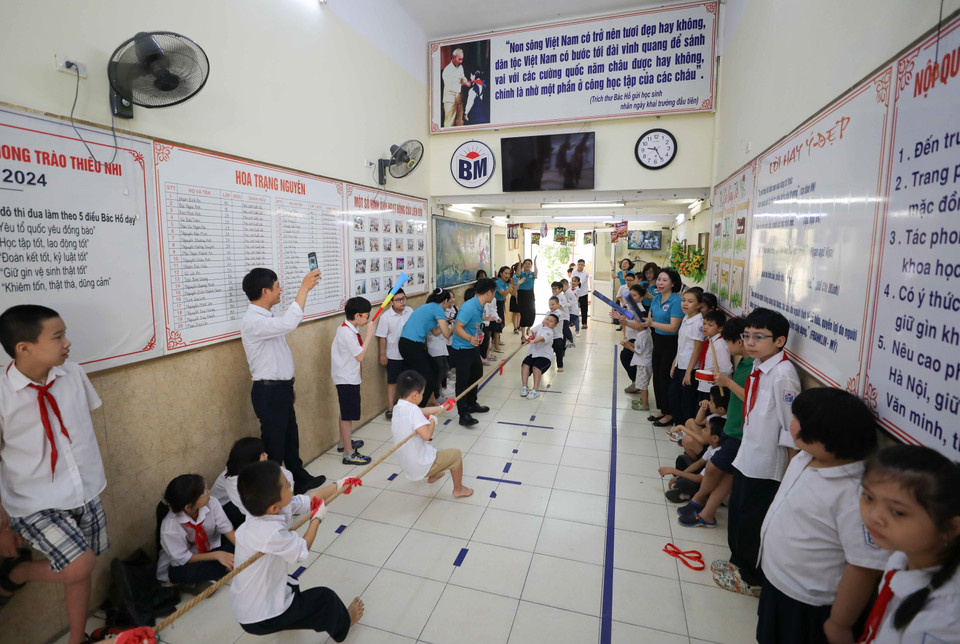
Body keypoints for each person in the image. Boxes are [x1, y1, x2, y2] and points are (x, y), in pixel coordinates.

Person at [0, 305, 108, 644]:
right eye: (58, 336)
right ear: (24, 347)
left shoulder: (73, 374)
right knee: (80, 565)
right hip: (34, 501)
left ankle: (77, 639)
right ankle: (17, 573)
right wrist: (2, 524)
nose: (67, 343)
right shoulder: (2, 395)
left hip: (84, 488)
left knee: (81, 572)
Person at [751, 388, 888, 644]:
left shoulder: (856, 493)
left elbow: (864, 566)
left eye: (796, 420)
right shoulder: (806, 457)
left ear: (825, 434)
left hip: (809, 603)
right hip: (776, 582)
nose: (791, 425)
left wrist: (839, 623)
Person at [713, 307, 801, 597]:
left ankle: (751, 577)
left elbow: (791, 430)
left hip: (765, 465)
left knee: (752, 521)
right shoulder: (758, 367)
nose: (750, 342)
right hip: (747, 456)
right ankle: (738, 564)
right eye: (747, 336)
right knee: (738, 514)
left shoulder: (784, 375)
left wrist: (789, 478)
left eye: (759, 337)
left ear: (779, 341)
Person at [231, 460, 363, 641]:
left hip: (254, 600)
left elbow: (310, 500)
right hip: (259, 616)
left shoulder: (267, 508)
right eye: (286, 485)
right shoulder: (267, 532)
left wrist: (339, 485)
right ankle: (344, 624)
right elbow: (302, 551)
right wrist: (316, 519)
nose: (290, 485)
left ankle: (288, 619)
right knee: (325, 599)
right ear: (273, 507)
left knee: (291, 585)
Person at [855, 445, 960, 643]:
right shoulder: (902, 556)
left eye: (897, 512)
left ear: (951, 527)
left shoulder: (945, 621)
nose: (874, 516)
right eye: (868, 497)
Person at [241, 267, 326, 495]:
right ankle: (274, 495)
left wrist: (289, 384)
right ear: (265, 291)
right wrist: (304, 287)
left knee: (290, 438)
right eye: (277, 286)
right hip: (268, 393)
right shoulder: (252, 321)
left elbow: (277, 357)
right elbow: (290, 323)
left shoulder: (267, 318)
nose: (280, 290)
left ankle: (299, 479)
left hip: (281, 389)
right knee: (274, 446)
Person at [673, 317, 751, 523]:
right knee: (726, 474)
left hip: (740, 430)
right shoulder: (745, 362)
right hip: (733, 428)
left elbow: (752, 398)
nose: (726, 345)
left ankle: (698, 500)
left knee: (714, 467)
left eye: (728, 341)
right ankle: (706, 512)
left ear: (739, 341)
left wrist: (726, 382)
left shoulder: (755, 367)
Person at [391, 370, 473, 498]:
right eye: (422, 394)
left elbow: (422, 410)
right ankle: (459, 489)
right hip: (418, 465)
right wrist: (432, 420)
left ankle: (434, 474)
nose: (422, 397)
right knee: (456, 455)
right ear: (414, 395)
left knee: (432, 450)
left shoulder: (399, 407)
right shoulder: (412, 410)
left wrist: (443, 407)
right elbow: (427, 436)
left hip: (406, 464)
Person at [156, 474, 236, 591]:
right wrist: (217, 555)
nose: (208, 492)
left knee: (239, 540)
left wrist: (243, 548)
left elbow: (226, 528)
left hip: (210, 545)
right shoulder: (170, 526)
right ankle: (199, 580)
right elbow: (183, 557)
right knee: (181, 573)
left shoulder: (211, 502)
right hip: (187, 561)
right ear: (189, 507)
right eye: (203, 492)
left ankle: (213, 573)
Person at [331, 297, 378, 465]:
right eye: (366, 315)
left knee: (345, 412)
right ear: (357, 315)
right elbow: (360, 356)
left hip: (347, 377)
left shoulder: (348, 328)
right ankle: (348, 453)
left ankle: (344, 442)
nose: (368, 318)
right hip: (347, 379)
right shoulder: (346, 333)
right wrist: (369, 335)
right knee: (347, 415)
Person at [450, 278, 497, 426]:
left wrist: (479, 334)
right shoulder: (469, 307)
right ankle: (462, 414)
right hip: (462, 349)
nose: (494, 296)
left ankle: (471, 403)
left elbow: (476, 323)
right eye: (494, 293)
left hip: (472, 347)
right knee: (462, 381)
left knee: (477, 374)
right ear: (489, 292)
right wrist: (470, 338)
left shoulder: (479, 305)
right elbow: (458, 328)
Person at [642, 268, 684, 427]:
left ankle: (670, 413)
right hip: (657, 340)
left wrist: (652, 323)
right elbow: (651, 319)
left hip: (670, 343)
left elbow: (673, 327)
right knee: (658, 377)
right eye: (659, 279)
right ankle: (662, 409)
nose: (660, 283)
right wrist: (647, 323)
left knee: (666, 378)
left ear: (673, 283)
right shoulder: (656, 298)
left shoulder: (677, 302)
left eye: (664, 280)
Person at [400, 288, 454, 406]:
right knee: (428, 377)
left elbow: (435, 332)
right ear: (445, 301)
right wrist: (457, 324)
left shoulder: (430, 306)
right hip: (410, 345)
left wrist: (448, 323)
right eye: (450, 301)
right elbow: (446, 334)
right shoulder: (438, 308)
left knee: (435, 368)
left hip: (409, 344)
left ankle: (431, 399)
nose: (451, 303)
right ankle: (420, 407)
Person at [658, 417, 726, 505]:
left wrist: (674, 471)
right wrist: (678, 475)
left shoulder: (718, 455)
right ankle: (681, 484)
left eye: (705, 429)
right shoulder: (712, 447)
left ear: (715, 438)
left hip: (710, 486)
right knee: (682, 459)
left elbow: (700, 479)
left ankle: (687, 494)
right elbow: (699, 463)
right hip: (704, 476)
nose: (702, 431)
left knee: (684, 482)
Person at [375, 288, 413, 420]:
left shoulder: (410, 311)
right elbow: (382, 337)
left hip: (409, 353)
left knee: (409, 380)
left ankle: (408, 406)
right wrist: (382, 355)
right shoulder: (386, 317)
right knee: (392, 381)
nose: (402, 302)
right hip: (393, 354)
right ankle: (390, 407)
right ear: (391, 302)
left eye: (403, 298)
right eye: (398, 300)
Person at [668, 288, 704, 426]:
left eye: (690, 301)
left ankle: (685, 431)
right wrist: (674, 364)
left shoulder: (698, 323)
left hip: (690, 368)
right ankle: (678, 426)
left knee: (686, 402)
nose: (685, 304)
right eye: (683, 300)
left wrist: (689, 372)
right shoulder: (686, 317)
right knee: (673, 397)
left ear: (699, 305)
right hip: (680, 364)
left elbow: (697, 349)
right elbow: (681, 344)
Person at [520, 313, 559, 400]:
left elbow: (540, 338)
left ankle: (535, 390)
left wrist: (532, 341)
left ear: (555, 325)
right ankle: (525, 387)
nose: (548, 321)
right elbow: (531, 330)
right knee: (525, 364)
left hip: (544, 355)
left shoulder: (549, 332)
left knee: (536, 367)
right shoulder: (540, 326)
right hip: (533, 353)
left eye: (551, 321)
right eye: (547, 319)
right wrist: (530, 335)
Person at [695, 310, 732, 400]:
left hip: (713, 388)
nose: (705, 327)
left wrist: (713, 376)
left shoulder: (720, 345)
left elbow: (727, 369)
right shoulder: (709, 340)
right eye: (704, 323)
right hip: (704, 385)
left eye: (710, 325)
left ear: (720, 328)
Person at [441, 48, 470, 127]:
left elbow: (462, 77)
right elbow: (449, 86)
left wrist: (468, 81)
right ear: (453, 58)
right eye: (459, 59)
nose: (461, 61)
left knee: (460, 122)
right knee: (449, 123)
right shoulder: (447, 70)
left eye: (462, 59)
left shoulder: (460, 67)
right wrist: (463, 84)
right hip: (450, 100)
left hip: (459, 99)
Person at [515, 255, 538, 337]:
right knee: (523, 314)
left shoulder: (532, 274)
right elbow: (517, 273)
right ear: (523, 265)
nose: (527, 265)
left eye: (529, 264)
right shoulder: (521, 273)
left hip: (530, 294)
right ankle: (523, 336)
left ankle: (529, 329)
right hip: (521, 295)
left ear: (531, 266)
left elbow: (536, 273)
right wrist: (520, 262)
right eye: (526, 264)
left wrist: (535, 263)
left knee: (532, 314)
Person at [492, 266, 513, 352]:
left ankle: (496, 340)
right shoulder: (498, 282)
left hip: (500, 304)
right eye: (506, 273)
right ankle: (496, 345)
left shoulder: (506, 283)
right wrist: (511, 285)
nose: (507, 275)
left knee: (501, 324)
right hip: (495, 304)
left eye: (509, 273)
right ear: (501, 274)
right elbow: (504, 294)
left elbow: (513, 293)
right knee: (498, 324)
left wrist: (516, 284)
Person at [547, 296, 567, 372]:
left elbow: (550, 323)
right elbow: (544, 323)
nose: (551, 306)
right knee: (547, 351)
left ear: (558, 305)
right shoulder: (548, 313)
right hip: (550, 337)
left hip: (557, 337)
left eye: (553, 304)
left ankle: (560, 366)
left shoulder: (558, 313)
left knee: (558, 351)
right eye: (550, 305)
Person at [571, 259, 590, 328]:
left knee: (584, 309)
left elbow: (580, 282)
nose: (580, 266)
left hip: (583, 293)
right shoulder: (573, 271)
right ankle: (572, 321)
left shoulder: (585, 273)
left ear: (584, 265)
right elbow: (572, 280)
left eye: (582, 265)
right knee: (573, 307)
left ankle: (584, 323)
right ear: (577, 264)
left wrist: (575, 284)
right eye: (579, 264)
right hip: (575, 293)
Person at [560, 278, 576, 348]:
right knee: (565, 326)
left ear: (567, 285)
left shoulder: (569, 293)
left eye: (562, 287)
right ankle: (568, 338)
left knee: (565, 326)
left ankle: (570, 339)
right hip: (569, 312)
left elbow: (571, 304)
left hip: (573, 313)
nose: (561, 289)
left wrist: (563, 305)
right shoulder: (566, 293)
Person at [509, 262, 522, 334]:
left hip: (520, 296)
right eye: (520, 268)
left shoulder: (521, 276)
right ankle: (515, 328)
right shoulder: (514, 277)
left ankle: (518, 326)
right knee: (515, 313)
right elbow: (514, 287)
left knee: (519, 312)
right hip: (515, 296)